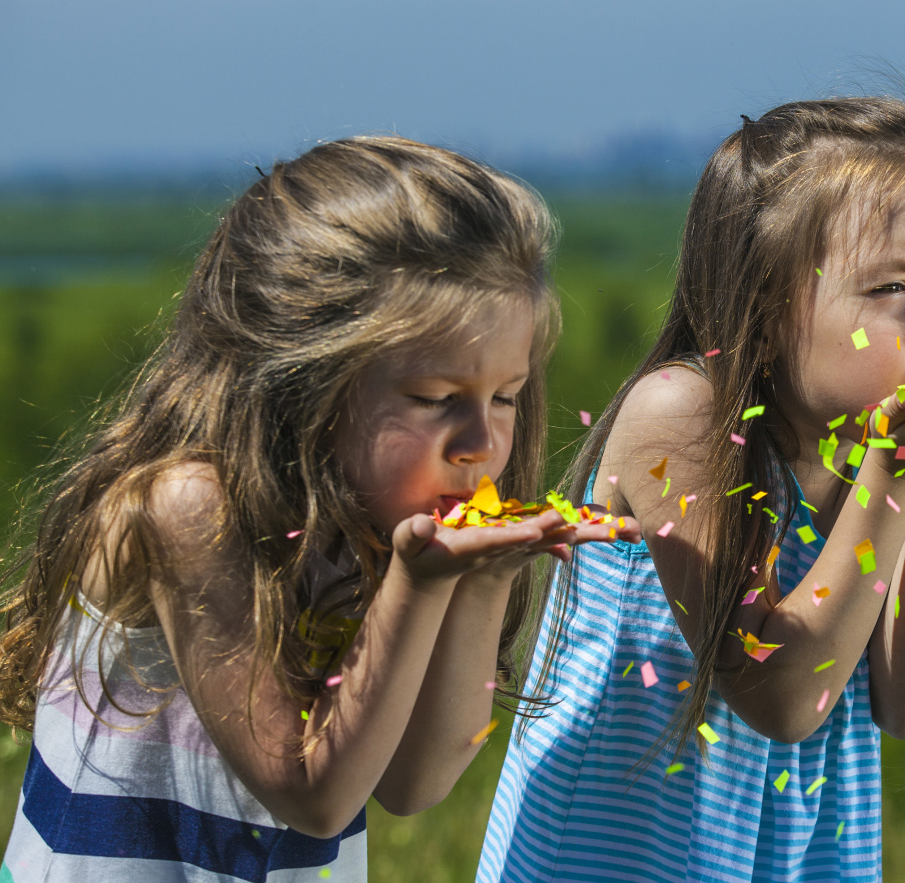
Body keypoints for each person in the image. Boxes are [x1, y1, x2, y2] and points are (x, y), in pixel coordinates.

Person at [478, 97, 905, 882]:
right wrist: (902, 471)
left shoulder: (873, 453)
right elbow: (783, 694)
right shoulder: (679, 419)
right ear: (764, 306)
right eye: (895, 286)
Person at [0, 137, 640, 882]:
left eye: (505, 398)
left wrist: (486, 579)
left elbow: (411, 786)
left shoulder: (370, 519)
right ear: (306, 379)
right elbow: (317, 798)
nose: (482, 442)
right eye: (437, 401)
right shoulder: (190, 510)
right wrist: (420, 583)